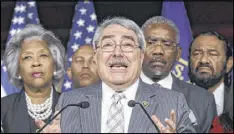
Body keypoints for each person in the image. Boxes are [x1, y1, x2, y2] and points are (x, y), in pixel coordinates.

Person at [36, 17, 195, 133]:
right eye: (108, 45)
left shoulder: (173, 102)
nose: (117, 53)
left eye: (127, 44)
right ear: (96, 56)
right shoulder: (69, 103)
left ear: (140, 56)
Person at [140, 16, 217, 133]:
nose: (158, 51)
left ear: (178, 53)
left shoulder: (203, 100)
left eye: (167, 44)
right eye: (150, 43)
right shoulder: (119, 92)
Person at [1, 24, 66, 133]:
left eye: (43, 55)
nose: (36, 63)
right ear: (17, 70)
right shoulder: (3, 108)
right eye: (27, 57)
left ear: (55, 64)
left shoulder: (72, 106)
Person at [189, 31, 233, 116]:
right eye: (197, 54)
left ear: (229, 63)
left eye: (213, 54)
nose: (203, 60)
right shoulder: (174, 98)